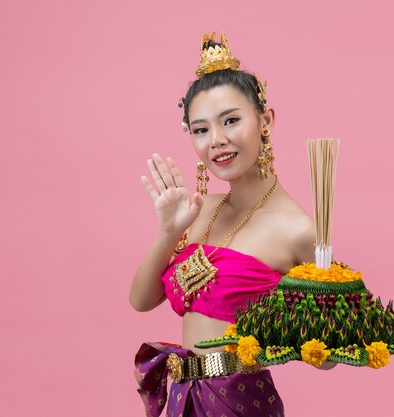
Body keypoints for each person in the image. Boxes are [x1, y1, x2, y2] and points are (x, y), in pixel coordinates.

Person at [129, 32, 333, 417]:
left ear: (265, 120)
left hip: (240, 402)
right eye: (201, 129)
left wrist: (302, 305)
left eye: (231, 121)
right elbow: (141, 301)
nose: (217, 141)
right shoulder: (200, 211)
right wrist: (169, 231)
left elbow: (327, 360)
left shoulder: (298, 230)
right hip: (182, 399)